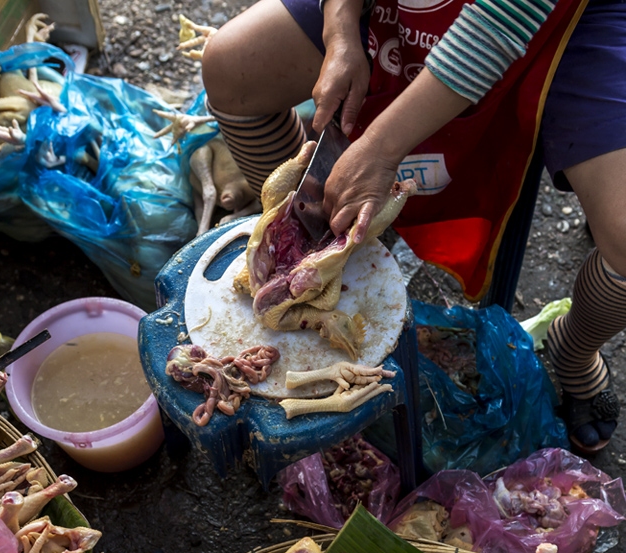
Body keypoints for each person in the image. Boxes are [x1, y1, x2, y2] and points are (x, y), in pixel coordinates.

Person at [201, 0, 625, 454]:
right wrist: (339, 26)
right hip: (402, 9)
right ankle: (316, 265)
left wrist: (381, 149)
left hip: (564, 21)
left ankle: (573, 350)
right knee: (229, 66)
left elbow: (503, 20)